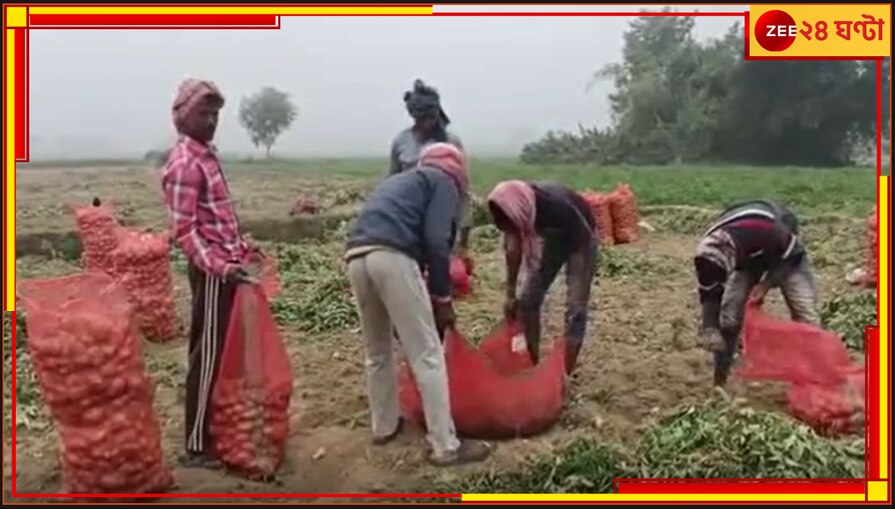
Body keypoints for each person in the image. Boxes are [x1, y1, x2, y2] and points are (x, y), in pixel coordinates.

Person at [345, 142, 492, 467]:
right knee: (427, 353)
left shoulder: (400, 182)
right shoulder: (444, 182)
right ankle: (445, 445)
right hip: (393, 255)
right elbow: (436, 241)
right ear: (456, 169)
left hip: (356, 257)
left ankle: (384, 427)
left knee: (377, 351)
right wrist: (441, 299)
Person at [161, 78, 258, 469]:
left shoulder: (205, 155)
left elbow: (217, 219)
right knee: (208, 355)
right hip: (213, 272)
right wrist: (223, 267)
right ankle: (198, 445)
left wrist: (244, 248)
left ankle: (216, 429)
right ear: (184, 116)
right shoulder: (185, 163)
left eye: (216, 113)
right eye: (204, 113)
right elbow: (185, 231)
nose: (212, 120)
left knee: (222, 353)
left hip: (227, 266)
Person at [694, 199, 819, 387]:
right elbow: (710, 292)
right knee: (729, 317)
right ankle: (720, 381)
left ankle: (812, 378)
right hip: (747, 258)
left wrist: (765, 285)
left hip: (787, 258)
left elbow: (793, 254)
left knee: (805, 314)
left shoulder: (769, 232)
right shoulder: (709, 252)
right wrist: (710, 328)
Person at [487, 180, 598, 376]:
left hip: (580, 236)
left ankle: (564, 375)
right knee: (528, 302)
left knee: (575, 309)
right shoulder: (516, 209)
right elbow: (512, 249)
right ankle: (531, 365)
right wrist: (510, 295)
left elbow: (583, 240)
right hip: (553, 238)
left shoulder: (555, 207)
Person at [387, 79, 472, 269]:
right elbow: (391, 182)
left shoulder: (451, 143)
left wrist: (464, 240)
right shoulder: (402, 141)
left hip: (443, 216)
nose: (425, 124)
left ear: (436, 115)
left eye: (430, 118)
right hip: (410, 215)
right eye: (420, 119)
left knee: (438, 264)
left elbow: (463, 190)